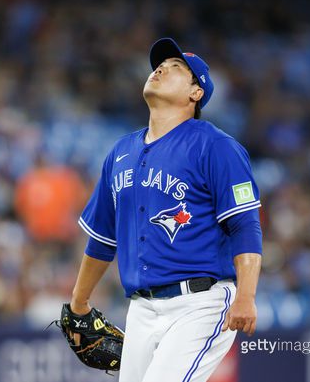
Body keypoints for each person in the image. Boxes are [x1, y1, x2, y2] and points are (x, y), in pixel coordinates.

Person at [71, 38, 263, 382]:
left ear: (196, 93)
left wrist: (246, 296)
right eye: (160, 65)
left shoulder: (215, 146)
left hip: (200, 303)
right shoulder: (121, 152)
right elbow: (102, 239)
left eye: (176, 68)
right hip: (141, 309)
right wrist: (78, 304)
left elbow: (244, 225)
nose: (161, 69)